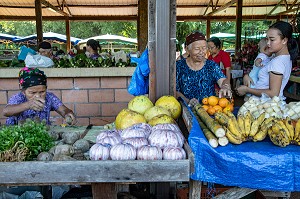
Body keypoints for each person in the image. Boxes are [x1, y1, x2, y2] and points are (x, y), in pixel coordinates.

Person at [236, 21, 299, 98]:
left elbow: (273, 93)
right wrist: (247, 76)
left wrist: (247, 90)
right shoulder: (280, 58)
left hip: (266, 105)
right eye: (267, 39)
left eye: (272, 40)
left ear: (284, 40)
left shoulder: (278, 62)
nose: (268, 43)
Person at [3, 67, 76, 125]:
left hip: (42, 133)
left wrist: (68, 114)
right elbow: (6, 111)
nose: (38, 96)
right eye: (32, 92)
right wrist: (28, 105)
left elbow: (63, 110)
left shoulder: (49, 97)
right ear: (23, 90)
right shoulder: (18, 98)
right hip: (18, 135)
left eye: (42, 92)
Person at [176, 31, 232, 107]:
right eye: (197, 48)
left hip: (209, 111)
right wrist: (187, 101)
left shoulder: (211, 65)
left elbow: (223, 80)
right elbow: (174, 90)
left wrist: (225, 86)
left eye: (204, 48)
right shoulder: (179, 66)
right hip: (186, 110)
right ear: (188, 49)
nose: (201, 52)